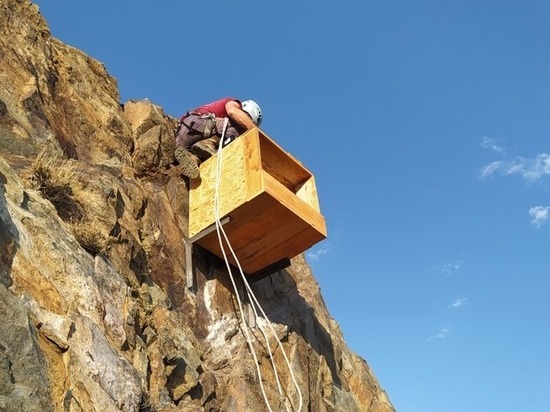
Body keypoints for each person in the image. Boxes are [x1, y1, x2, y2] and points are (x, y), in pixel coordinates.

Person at [174, 97, 263, 178]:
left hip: (183, 139)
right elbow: (232, 112)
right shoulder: (234, 103)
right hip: (197, 124)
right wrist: (254, 130)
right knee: (240, 127)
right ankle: (208, 144)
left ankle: (192, 158)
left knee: (202, 155)